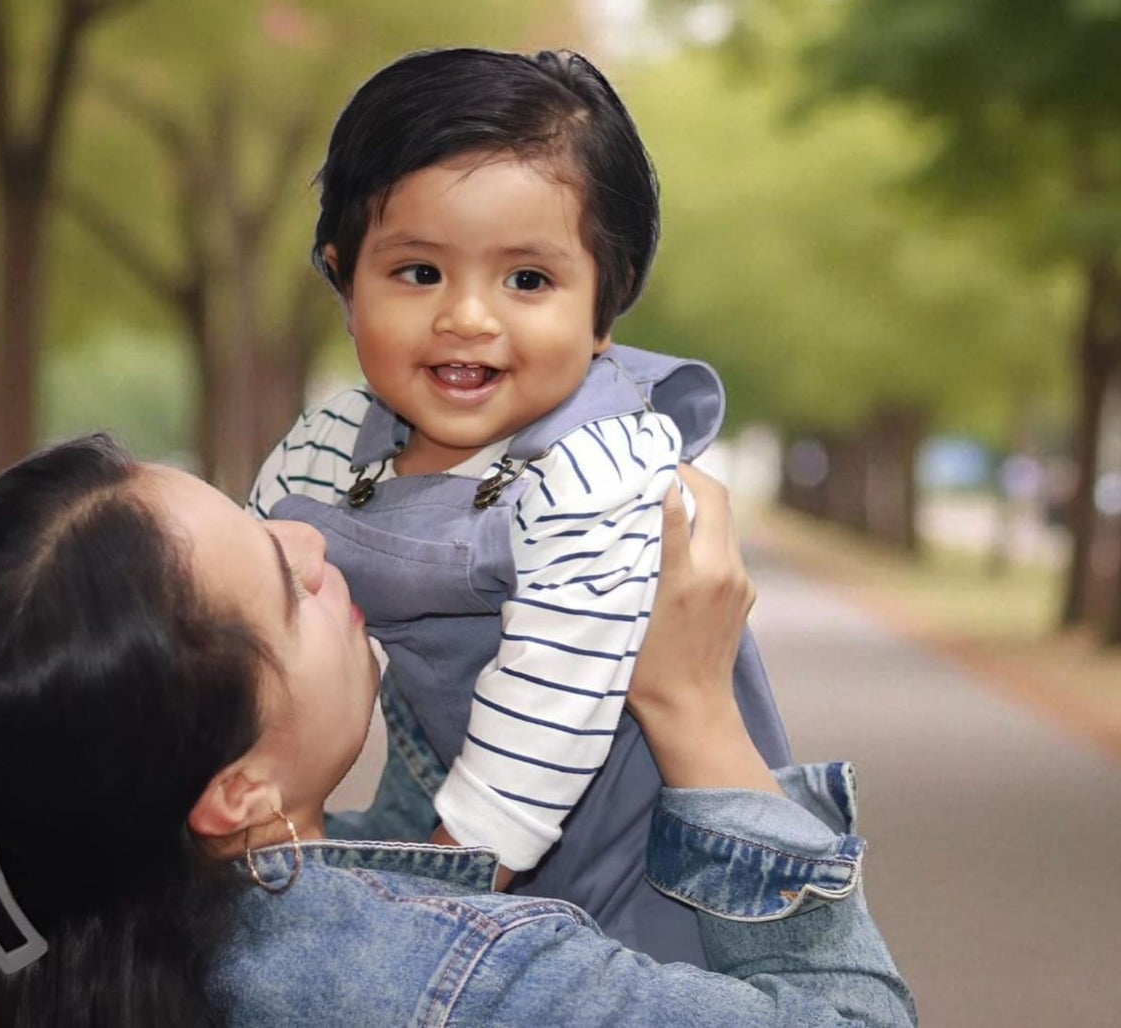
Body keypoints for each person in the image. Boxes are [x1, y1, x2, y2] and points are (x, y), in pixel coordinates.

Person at [0, 434, 916, 1027]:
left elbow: (423, 856)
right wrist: (693, 707)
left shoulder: (89, 957)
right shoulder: (467, 984)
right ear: (234, 791)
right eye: (284, 585)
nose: (312, 542)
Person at [248, 47, 789, 961]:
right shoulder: (332, 442)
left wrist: (424, 917)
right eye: (418, 272)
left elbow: (549, 707)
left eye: (527, 281)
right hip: (468, 820)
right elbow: (236, 604)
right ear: (344, 279)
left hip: (660, 876)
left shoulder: (602, 464)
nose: (468, 317)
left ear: (605, 305)